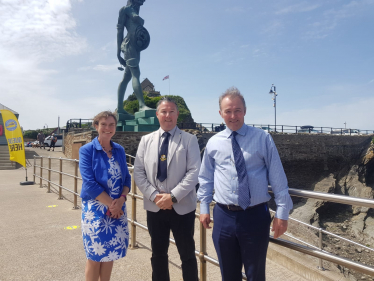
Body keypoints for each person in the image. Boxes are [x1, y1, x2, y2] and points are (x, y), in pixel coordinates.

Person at [197, 87, 293, 281]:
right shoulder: (214, 143)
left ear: (245, 111)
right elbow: (206, 178)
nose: (233, 116)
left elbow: (278, 178)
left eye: (237, 110)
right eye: (228, 111)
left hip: (255, 216)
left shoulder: (263, 138)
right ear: (220, 113)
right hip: (223, 217)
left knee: (255, 275)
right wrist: (204, 206)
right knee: (228, 275)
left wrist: (282, 213)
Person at [134, 97, 201, 281]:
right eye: (163, 111)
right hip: (155, 208)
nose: (168, 115)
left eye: (172, 111)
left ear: (177, 114)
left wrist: (172, 197)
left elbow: (194, 172)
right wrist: (155, 196)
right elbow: (138, 172)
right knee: (158, 255)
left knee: (187, 255)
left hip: (182, 207)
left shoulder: (189, 140)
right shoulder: (146, 140)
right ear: (157, 115)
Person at [79, 111, 131, 281]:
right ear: (96, 126)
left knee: (110, 256)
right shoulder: (87, 151)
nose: (107, 128)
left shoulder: (119, 150)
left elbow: (127, 179)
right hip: (95, 210)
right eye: (104, 124)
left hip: (117, 209)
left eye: (111, 125)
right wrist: (112, 205)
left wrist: (121, 199)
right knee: (95, 256)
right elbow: (89, 183)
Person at [116, 0, 152, 115]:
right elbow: (119, 31)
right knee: (136, 73)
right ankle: (142, 105)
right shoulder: (125, 9)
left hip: (136, 45)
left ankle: (120, 108)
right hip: (129, 45)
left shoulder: (136, 9)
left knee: (126, 77)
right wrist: (118, 53)